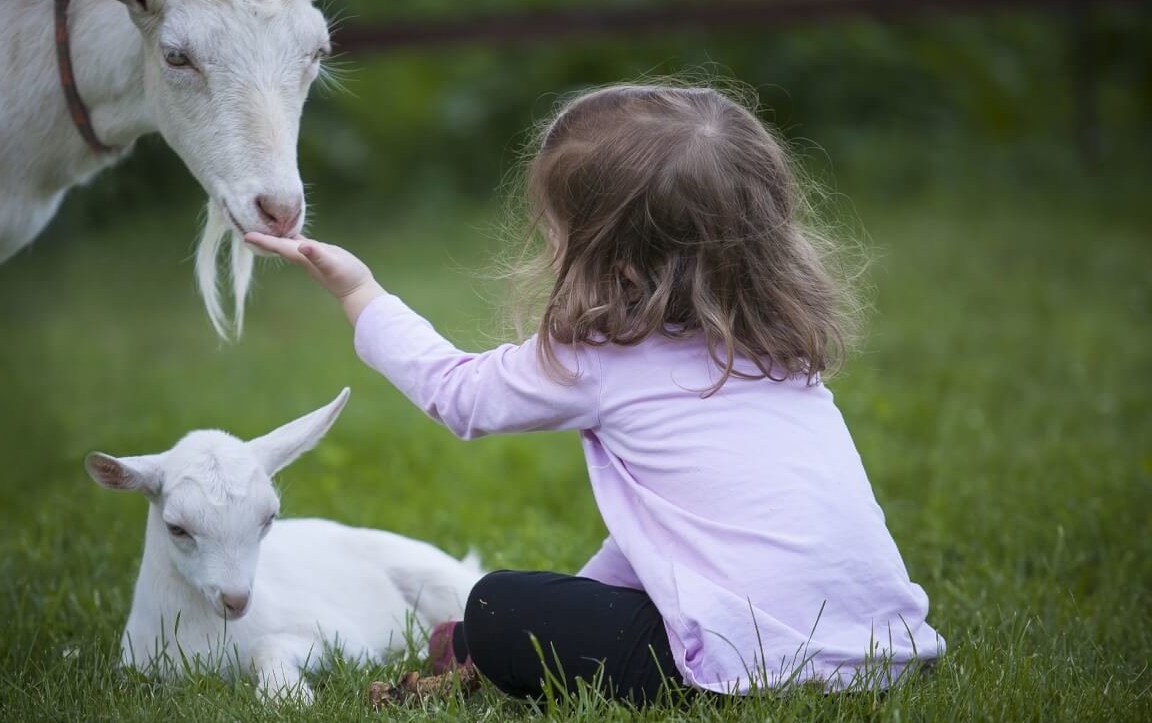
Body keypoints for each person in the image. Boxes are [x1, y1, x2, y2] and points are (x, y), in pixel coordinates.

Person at [247, 83, 944, 703]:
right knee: (525, 610)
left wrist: (358, 291)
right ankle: (488, 644)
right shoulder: (783, 356)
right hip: (882, 650)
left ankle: (482, 646)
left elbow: (456, 394)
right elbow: (667, 540)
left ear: (611, 254)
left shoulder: (603, 360)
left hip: (748, 665)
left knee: (496, 606)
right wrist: (579, 598)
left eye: (556, 228)